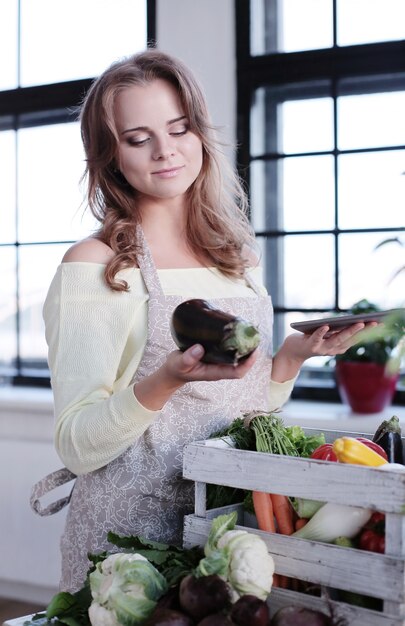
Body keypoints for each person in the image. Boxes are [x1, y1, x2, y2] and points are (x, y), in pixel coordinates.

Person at [31, 49, 373, 593]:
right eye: (138, 138)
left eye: (179, 128)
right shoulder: (97, 265)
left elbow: (240, 409)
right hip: (131, 539)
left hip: (231, 525)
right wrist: (165, 380)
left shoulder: (233, 256)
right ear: (110, 155)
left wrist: (289, 358)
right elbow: (77, 444)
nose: (166, 152)